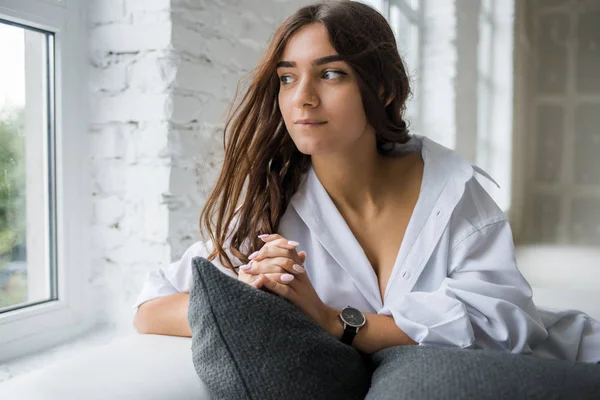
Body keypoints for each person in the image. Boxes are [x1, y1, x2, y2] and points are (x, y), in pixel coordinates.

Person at [133, 0, 600, 362]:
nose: (303, 99)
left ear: (383, 89)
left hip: (564, 363)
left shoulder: (450, 188)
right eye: (287, 78)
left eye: (330, 74)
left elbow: (506, 323)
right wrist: (254, 298)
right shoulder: (268, 207)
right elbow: (150, 308)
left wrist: (335, 322)